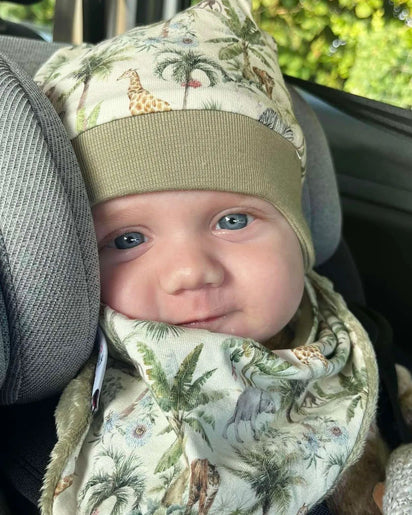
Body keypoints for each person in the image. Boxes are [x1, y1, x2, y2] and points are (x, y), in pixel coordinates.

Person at [34, 1, 411, 513]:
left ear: (297, 233)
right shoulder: (83, 409)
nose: (191, 272)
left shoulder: (354, 337)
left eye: (233, 221)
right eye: (127, 240)